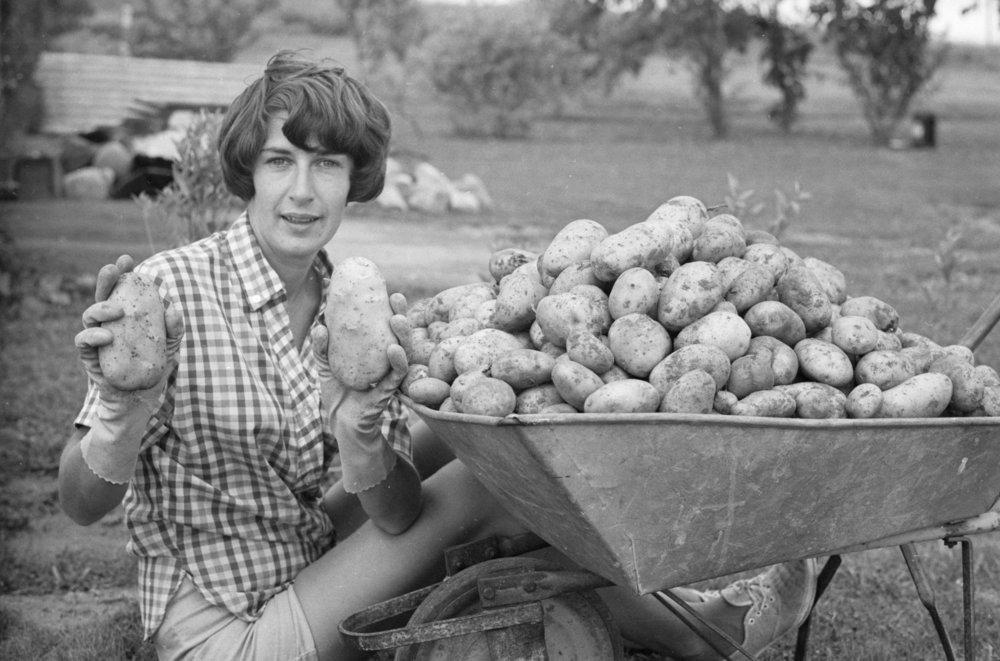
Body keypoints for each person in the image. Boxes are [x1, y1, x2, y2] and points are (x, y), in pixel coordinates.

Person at [58, 50, 818, 661]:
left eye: (326, 165)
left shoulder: (345, 303)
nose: (302, 190)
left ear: (354, 178)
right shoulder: (170, 291)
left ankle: (655, 612)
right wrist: (128, 411)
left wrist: (359, 430)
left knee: (473, 441)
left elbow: (392, 513)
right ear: (248, 168)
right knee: (502, 481)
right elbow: (79, 503)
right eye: (281, 161)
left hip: (300, 552)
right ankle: (701, 631)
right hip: (231, 630)